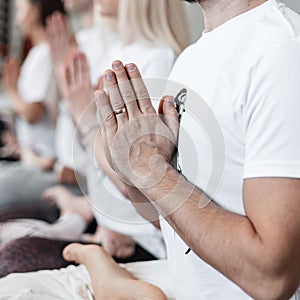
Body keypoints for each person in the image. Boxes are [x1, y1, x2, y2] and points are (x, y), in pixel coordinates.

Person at [1, 0, 299, 299]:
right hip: (177, 282)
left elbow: (271, 278)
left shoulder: (280, 50)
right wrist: (131, 169)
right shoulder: (191, 57)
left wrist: (150, 170)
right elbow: (169, 223)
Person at [0, 0, 66, 208]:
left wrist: (12, 91)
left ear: (35, 12)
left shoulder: (45, 54)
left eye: (21, 10)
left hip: (44, 163)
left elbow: (33, 112)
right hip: (31, 156)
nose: (19, 19)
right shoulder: (37, 54)